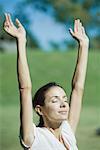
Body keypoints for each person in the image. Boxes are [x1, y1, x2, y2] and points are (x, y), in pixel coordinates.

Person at [3, 13, 89, 150]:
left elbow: (78, 90)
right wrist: (21, 40)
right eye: (54, 100)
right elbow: (25, 89)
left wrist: (84, 45)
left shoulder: (67, 132)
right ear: (39, 109)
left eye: (65, 99)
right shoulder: (33, 138)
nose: (63, 104)